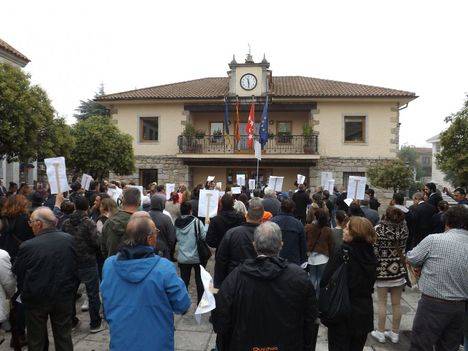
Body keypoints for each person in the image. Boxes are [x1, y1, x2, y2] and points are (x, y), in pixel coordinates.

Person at [213, 221, 318, 351]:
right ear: (281, 245)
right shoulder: (299, 277)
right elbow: (310, 318)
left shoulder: (236, 278)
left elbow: (221, 318)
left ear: (254, 245)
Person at [101, 216, 190, 351]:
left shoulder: (109, 265)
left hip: (121, 341)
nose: (157, 235)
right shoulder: (164, 268)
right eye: (156, 232)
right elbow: (182, 305)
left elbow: (106, 303)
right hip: (157, 343)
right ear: (150, 239)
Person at [13, 207, 77, 351]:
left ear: (39, 224)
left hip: (37, 299)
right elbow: (76, 267)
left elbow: (18, 271)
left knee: (36, 340)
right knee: (64, 337)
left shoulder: (28, 246)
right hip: (63, 296)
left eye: (31, 223)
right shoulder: (69, 240)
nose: (30, 226)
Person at [406, 205, 468, 351]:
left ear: (447, 222)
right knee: (449, 347)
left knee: (421, 345)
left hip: (432, 303)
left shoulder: (434, 240)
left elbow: (412, 258)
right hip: (459, 306)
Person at [321, 216, 378, 351]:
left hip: (342, 310)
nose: (344, 230)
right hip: (363, 312)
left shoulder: (342, 252)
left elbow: (325, 279)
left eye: (347, 228)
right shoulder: (371, 254)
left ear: (355, 233)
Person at [61, 196, 103, 333]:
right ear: (86, 208)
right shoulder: (89, 223)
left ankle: (72, 321)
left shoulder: (66, 222)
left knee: (71, 293)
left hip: (71, 261)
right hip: (88, 261)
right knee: (92, 294)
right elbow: (96, 242)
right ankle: (95, 323)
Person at [371, 206, 409, 344]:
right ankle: (394, 333)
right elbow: (404, 247)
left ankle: (380, 333)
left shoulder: (378, 229)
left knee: (382, 303)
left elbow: (374, 252)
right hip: (398, 270)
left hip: (382, 271)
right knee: (396, 304)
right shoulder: (405, 229)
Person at [214, 198, 264, 288]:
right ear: (262, 218)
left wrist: (218, 285)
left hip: (234, 280)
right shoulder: (267, 235)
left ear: (247, 215)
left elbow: (221, 260)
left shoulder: (232, 233)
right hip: (259, 281)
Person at [174, 202, 207, 303]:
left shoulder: (176, 223)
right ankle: (200, 302)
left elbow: (175, 238)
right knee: (199, 281)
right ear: (190, 210)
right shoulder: (197, 222)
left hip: (183, 257)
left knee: (184, 281)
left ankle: (184, 302)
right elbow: (204, 237)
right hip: (197, 257)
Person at [101, 187, 141, 258]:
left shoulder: (109, 221)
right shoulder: (144, 222)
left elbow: (103, 247)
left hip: (114, 264)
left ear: (122, 200)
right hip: (137, 266)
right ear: (139, 202)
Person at [305, 208, 335, 297]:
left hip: (311, 256)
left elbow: (305, 240)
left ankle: (311, 297)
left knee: (312, 277)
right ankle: (319, 298)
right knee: (320, 278)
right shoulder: (328, 230)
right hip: (324, 256)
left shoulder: (308, 227)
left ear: (315, 216)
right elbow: (331, 245)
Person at [270, 199, 307, 265]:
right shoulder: (298, 224)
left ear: (281, 207)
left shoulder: (272, 222)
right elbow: (303, 246)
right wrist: (303, 260)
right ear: (292, 209)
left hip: (274, 260)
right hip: (293, 261)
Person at [0, 195, 35, 260]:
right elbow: (31, 235)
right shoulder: (25, 219)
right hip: (22, 252)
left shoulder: (3, 218)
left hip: (6, 252)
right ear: (22, 205)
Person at [148, 195, 176, 260]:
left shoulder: (144, 216)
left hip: (147, 252)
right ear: (161, 204)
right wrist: (167, 248)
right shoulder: (166, 218)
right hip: (163, 253)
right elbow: (172, 238)